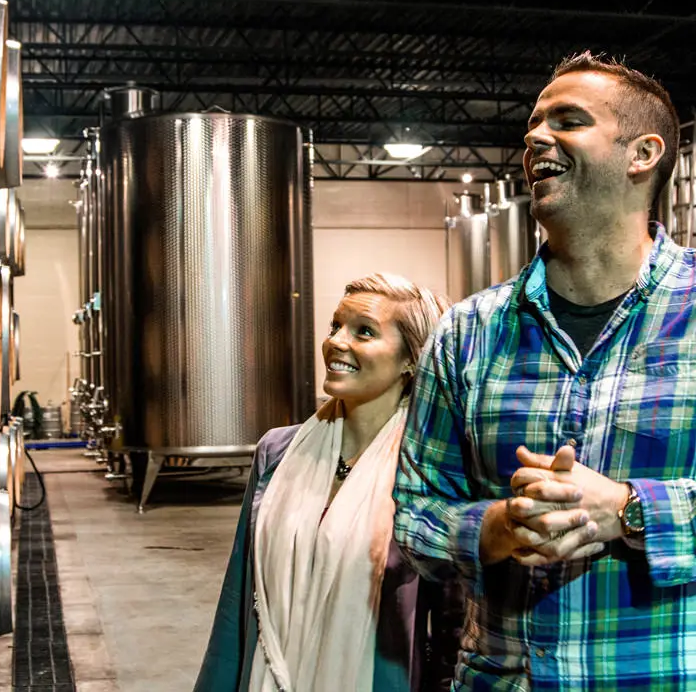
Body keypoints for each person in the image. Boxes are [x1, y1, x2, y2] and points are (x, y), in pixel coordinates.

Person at [393, 50, 692, 690]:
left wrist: (629, 510)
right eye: (533, 122)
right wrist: (498, 527)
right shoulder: (468, 333)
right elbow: (415, 516)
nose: (534, 136)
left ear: (642, 154)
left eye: (568, 120)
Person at [195, 273, 455, 692]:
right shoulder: (276, 453)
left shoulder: (428, 467)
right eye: (336, 326)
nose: (336, 341)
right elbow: (237, 603)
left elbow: (450, 623)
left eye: (364, 331)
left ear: (411, 360)